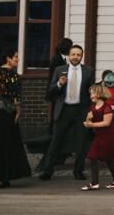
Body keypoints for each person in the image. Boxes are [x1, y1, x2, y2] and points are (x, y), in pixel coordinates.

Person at [37, 43, 94, 181]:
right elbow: (50, 91)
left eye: (78, 55)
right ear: (69, 55)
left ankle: (78, 170)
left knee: (81, 142)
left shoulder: (88, 71)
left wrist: (91, 110)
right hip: (64, 110)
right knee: (56, 141)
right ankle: (47, 170)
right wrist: (59, 84)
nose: (75, 57)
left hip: (81, 110)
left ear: (82, 56)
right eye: (73, 54)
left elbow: (92, 92)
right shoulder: (59, 70)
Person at [0, 48, 32, 189]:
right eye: (15, 57)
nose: (18, 60)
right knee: (6, 144)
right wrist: (18, 111)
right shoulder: (13, 75)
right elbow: (15, 96)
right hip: (4, 111)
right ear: (8, 58)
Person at [80, 84, 114, 190]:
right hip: (99, 136)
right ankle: (94, 183)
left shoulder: (106, 107)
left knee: (109, 159)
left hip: (109, 137)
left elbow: (106, 123)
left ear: (99, 94)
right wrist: (88, 120)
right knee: (93, 157)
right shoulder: (92, 107)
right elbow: (89, 122)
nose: (91, 96)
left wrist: (91, 124)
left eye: (93, 93)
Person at [45, 36, 74, 132]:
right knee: (55, 113)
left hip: (57, 89)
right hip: (56, 89)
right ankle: (52, 132)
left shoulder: (60, 59)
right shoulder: (58, 60)